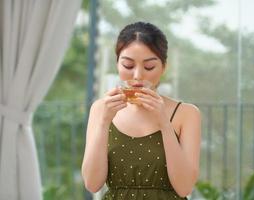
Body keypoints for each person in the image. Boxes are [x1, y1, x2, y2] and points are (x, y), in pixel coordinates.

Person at [81, 21, 201, 199]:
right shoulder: (101, 109)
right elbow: (92, 184)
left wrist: (164, 124)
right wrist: (104, 122)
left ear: (163, 68)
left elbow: (184, 188)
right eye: (128, 66)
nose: (137, 75)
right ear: (117, 64)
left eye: (149, 67)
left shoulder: (186, 114)